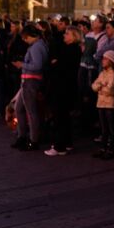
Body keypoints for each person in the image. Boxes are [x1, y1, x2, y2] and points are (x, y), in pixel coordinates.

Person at [10, 25, 49, 152]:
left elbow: (37, 65)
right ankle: (22, 136)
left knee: (30, 111)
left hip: (31, 80)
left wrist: (22, 64)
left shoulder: (36, 47)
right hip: (29, 80)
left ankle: (33, 140)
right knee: (19, 108)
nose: (25, 41)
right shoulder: (39, 45)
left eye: (26, 38)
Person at [45, 26, 82, 156]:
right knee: (64, 116)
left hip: (62, 87)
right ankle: (66, 143)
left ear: (74, 36)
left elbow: (58, 66)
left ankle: (59, 145)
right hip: (66, 86)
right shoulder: (71, 49)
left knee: (59, 116)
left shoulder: (71, 50)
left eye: (67, 34)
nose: (64, 36)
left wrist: (55, 63)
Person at [92, 50, 114, 160]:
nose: (103, 61)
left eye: (105, 59)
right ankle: (103, 148)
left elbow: (110, 90)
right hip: (101, 103)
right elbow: (94, 85)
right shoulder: (102, 73)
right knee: (104, 128)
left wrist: (100, 87)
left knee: (111, 128)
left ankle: (111, 149)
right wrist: (101, 86)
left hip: (110, 104)